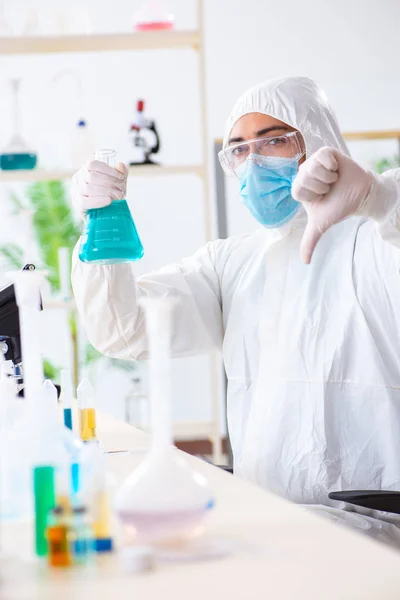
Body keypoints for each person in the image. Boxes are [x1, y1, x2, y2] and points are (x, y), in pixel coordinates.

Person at [72, 77, 400, 547]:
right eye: (240, 150)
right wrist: (101, 231)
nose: (254, 162)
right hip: (266, 523)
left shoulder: (376, 241)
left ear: (318, 142)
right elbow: (125, 330)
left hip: (374, 532)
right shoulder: (233, 263)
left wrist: (378, 198)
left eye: (274, 141)